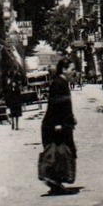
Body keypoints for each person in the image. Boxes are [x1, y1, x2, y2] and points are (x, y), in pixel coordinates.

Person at [38, 60, 77, 194]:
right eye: (72, 68)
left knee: (62, 153)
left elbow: (65, 106)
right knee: (58, 153)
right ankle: (53, 180)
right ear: (64, 70)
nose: (74, 71)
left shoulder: (62, 83)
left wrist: (71, 118)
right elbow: (54, 105)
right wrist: (57, 123)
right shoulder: (58, 83)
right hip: (55, 125)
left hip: (61, 124)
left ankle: (56, 183)